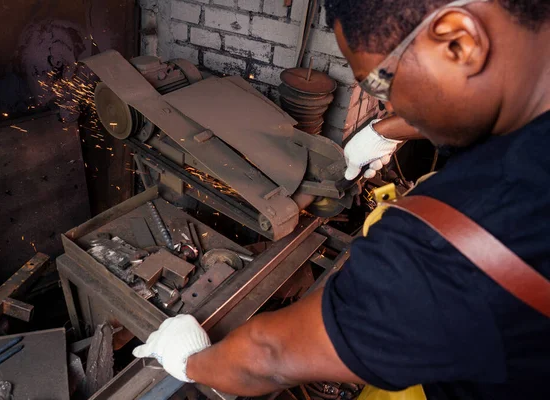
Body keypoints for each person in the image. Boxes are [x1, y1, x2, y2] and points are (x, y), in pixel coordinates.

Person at [132, 0, 550, 398]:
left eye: (382, 81)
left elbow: (271, 357)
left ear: (458, 41)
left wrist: (189, 362)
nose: (392, 101)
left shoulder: (466, 231)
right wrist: (389, 129)